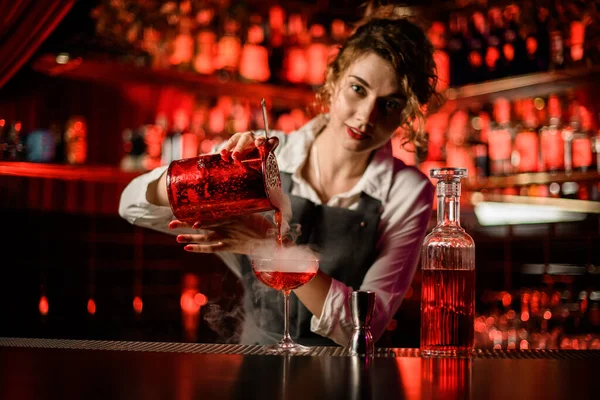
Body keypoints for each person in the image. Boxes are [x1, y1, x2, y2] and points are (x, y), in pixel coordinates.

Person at [119, 5, 437, 347]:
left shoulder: (408, 192)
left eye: (389, 104)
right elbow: (133, 205)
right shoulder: (267, 157)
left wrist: (270, 248)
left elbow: (365, 329)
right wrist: (217, 176)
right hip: (253, 369)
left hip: (342, 378)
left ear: (407, 112)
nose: (366, 116)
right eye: (358, 89)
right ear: (333, 80)